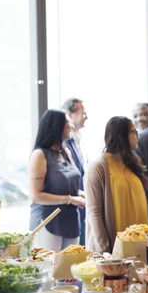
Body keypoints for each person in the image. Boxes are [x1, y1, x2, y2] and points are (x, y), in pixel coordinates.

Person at [85, 117, 148, 254]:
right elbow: (94, 212)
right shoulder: (99, 166)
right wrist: (105, 248)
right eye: (133, 132)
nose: (137, 136)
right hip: (113, 249)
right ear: (121, 136)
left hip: (138, 245)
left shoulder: (133, 163)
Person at [28, 110, 85, 251]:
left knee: (70, 265)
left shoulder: (66, 152)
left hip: (71, 220)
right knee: (51, 267)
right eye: (67, 123)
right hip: (48, 221)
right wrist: (70, 199)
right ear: (56, 126)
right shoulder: (39, 155)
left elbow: (60, 184)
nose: (71, 126)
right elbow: (36, 195)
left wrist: (78, 193)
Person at [63, 97, 87, 245]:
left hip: (80, 200)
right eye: (82, 113)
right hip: (70, 206)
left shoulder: (79, 140)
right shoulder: (65, 143)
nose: (86, 117)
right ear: (69, 114)